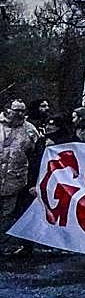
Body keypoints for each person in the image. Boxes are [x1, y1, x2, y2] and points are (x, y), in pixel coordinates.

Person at [1, 100, 41, 255]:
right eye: (16, 110)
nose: (20, 114)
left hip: (15, 180)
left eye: (22, 111)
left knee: (7, 214)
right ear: (7, 110)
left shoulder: (30, 130)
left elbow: (35, 156)